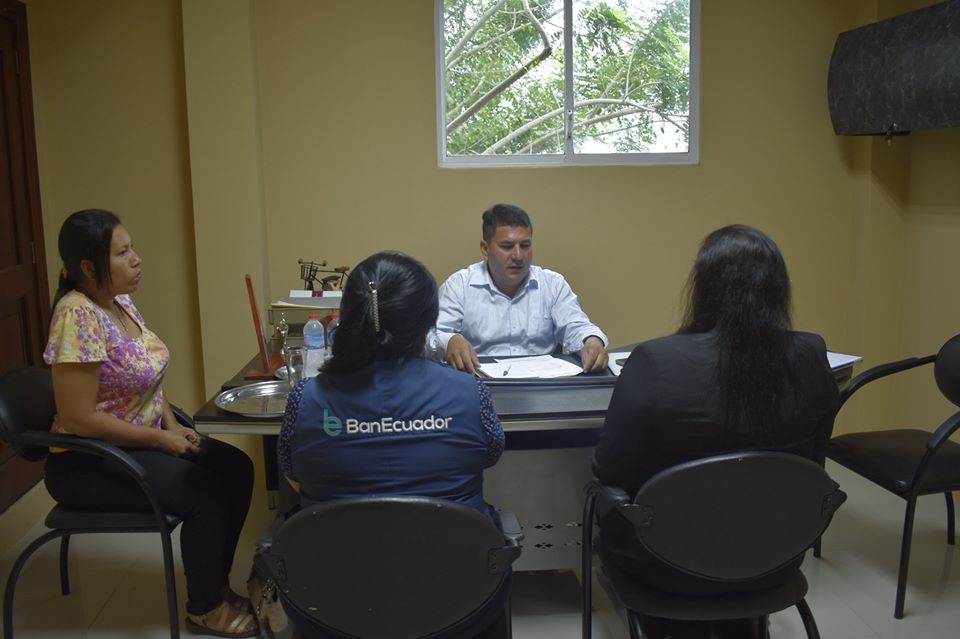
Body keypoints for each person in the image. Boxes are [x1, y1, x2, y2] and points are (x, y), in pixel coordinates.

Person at [592, 225, 838, 637]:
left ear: (703, 288)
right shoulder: (811, 354)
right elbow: (814, 459)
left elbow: (609, 469)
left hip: (665, 564)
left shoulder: (656, 362)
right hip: (775, 557)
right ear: (779, 290)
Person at [43, 209, 257, 638]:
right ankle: (205, 608)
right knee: (204, 494)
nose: (136, 259)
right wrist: (159, 441)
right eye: (122, 253)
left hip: (138, 442)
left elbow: (147, 375)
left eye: (132, 248)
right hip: (88, 461)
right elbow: (77, 417)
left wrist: (170, 426)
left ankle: (215, 582)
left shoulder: (118, 301)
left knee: (237, 468)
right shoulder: (76, 316)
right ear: (88, 267)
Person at [278, 251, 507, 638]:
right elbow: (491, 453)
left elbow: (292, 470)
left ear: (348, 317)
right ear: (427, 324)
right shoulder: (471, 392)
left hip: (331, 599)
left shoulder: (305, 399)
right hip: (459, 595)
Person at [429, 203, 608, 375]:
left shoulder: (553, 284)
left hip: (542, 384)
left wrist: (591, 340)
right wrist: (450, 341)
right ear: (485, 248)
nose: (518, 256)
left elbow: (576, 326)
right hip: (479, 383)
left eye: (525, 245)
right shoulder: (459, 285)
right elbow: (431, 335)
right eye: (507, 247)